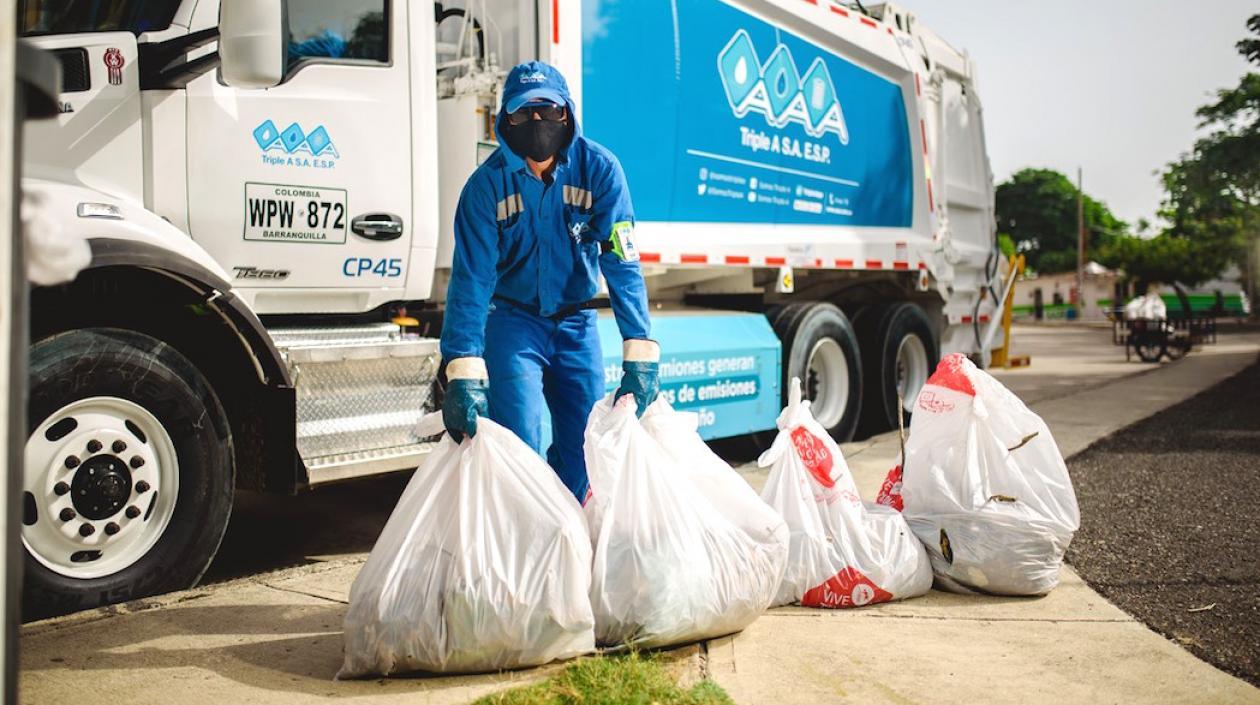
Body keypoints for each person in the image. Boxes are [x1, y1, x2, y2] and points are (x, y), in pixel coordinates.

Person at [439, 61, 659, 501]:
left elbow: (621, 258)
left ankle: (568, 543)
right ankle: (529, 547)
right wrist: (461, 365)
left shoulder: (598, 171)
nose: (537, 123)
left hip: (576, 326)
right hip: (512, 324)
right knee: (519, 445)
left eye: (548, 111)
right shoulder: (486, 188)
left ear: (567, 114)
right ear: (505, 120)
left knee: (584, 455)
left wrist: (639, 347)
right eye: (523, 114)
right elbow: (471, 280)